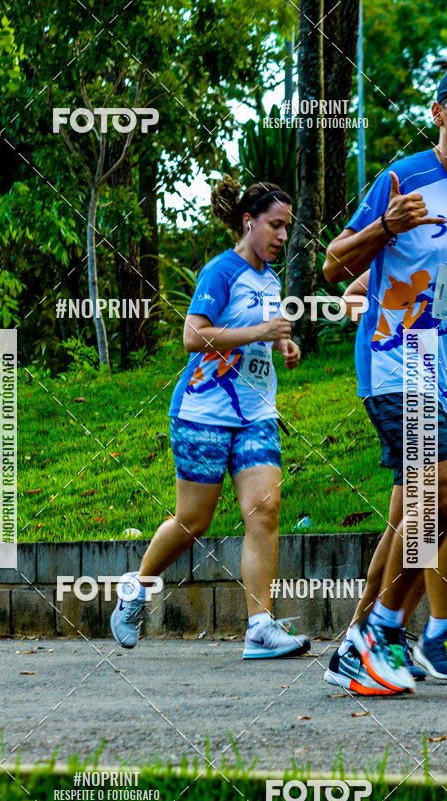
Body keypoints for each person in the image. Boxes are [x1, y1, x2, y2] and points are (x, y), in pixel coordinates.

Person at [323, 61, 447, 693]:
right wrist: (386, 226)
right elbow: (332, 266)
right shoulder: (403, 177)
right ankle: (382, 632)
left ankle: (359, 642)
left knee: (420, 510)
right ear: (440, 112)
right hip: (401, 357)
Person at [110, 176, 311, 659]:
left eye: (287, 227)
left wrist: (281, 342)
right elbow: (193, 336)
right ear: (249, 222)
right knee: (192, 521)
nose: (283, 236)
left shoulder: (268, 278)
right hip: (202, 412)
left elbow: (257, 331)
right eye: (275, 225)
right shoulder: (220, 272)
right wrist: (262, 328)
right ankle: (136, 588)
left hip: (256, 414)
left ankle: (260, 628)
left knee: (265, 510)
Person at [325, 263, 447, 693]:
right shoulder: (440, 245)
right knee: (437, 510)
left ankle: (371, 639)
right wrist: (391, 327)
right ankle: (391, 636)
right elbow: (354, 293)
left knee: (423, 517)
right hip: (421, 391)